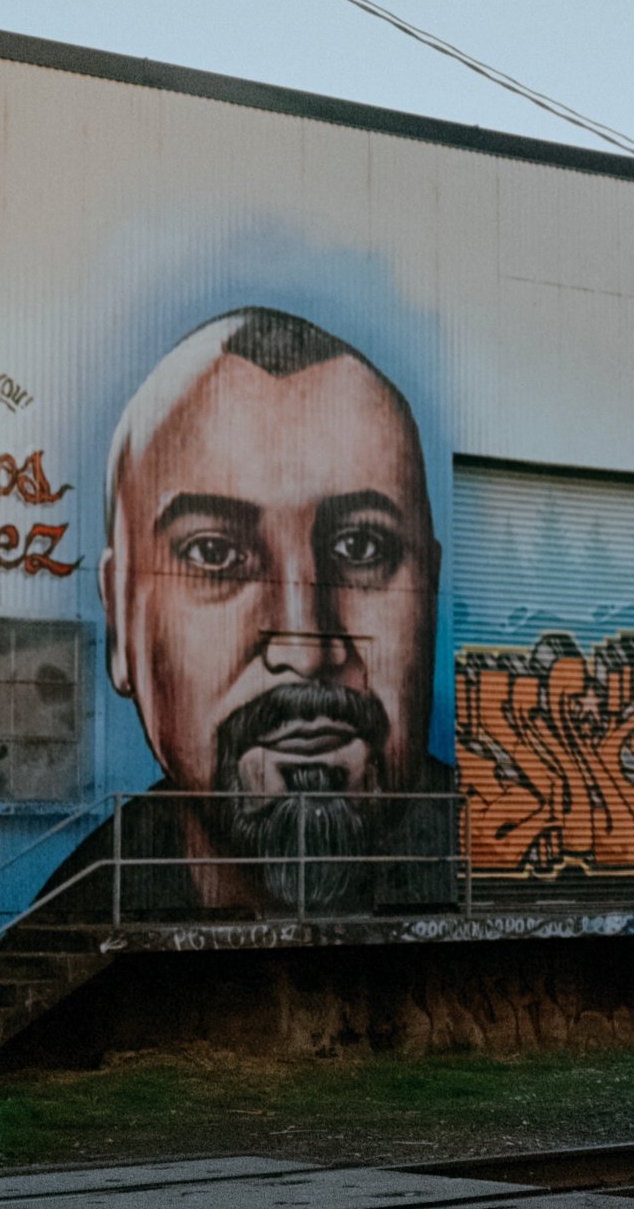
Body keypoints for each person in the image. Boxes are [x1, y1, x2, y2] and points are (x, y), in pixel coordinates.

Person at [85, 307, 451, 916]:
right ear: (120, 618)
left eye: (361, 547)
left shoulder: (520, 865)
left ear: (430, 596)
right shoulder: (75, 910)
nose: (306, 647)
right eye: (215, 552)